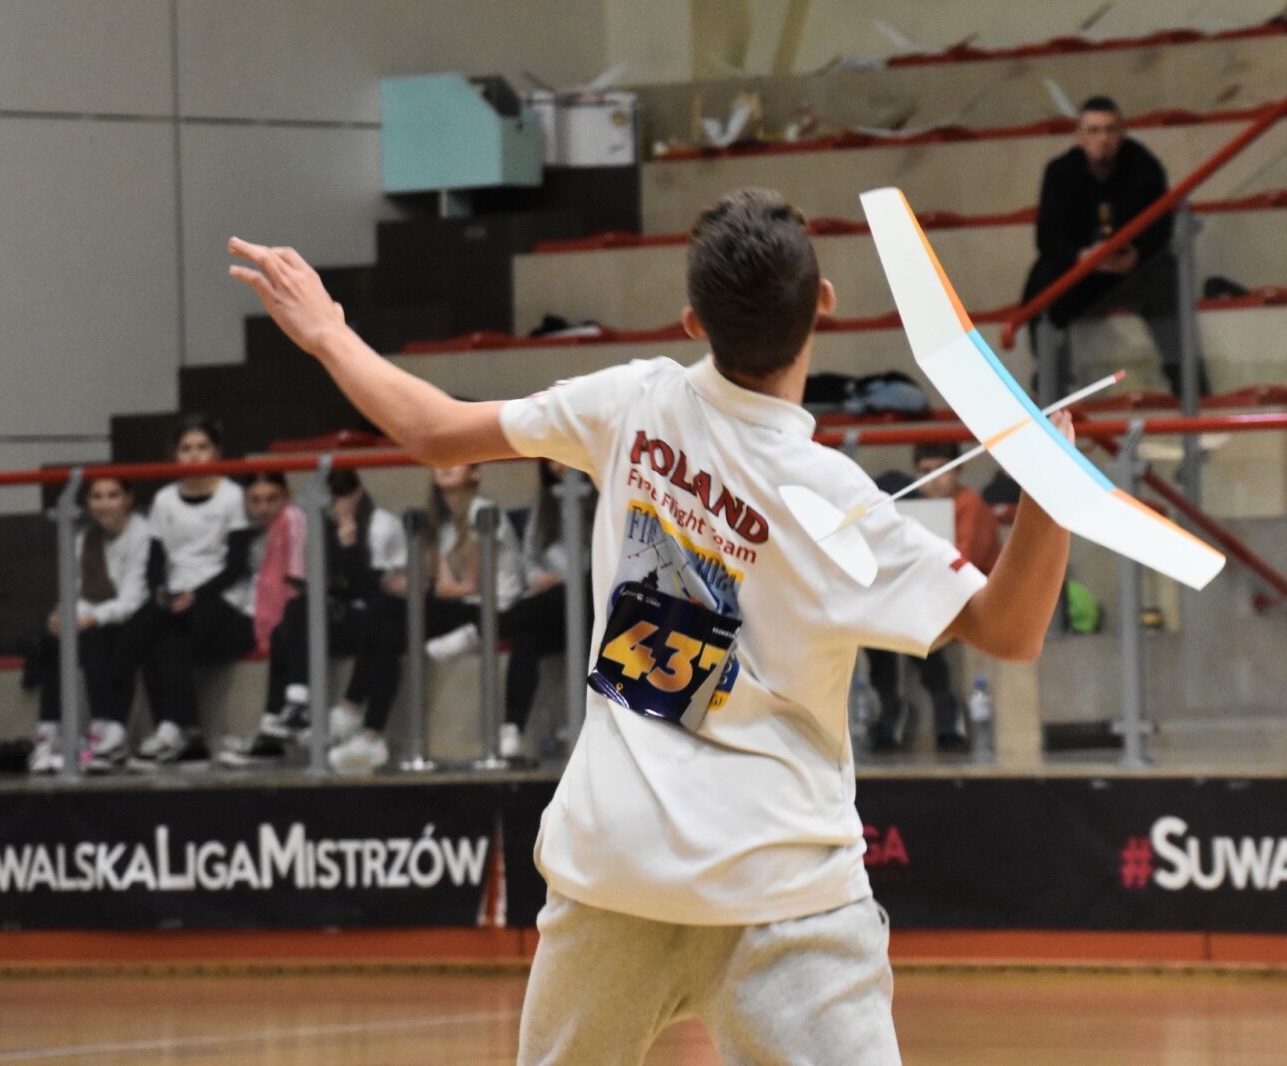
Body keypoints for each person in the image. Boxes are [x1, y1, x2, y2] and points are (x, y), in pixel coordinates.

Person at [230, 187, 1069, 1065]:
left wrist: (328, 331)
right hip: (782, 891)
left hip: (614, 874)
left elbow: (434, 432)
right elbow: (1009, 630)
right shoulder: (837, 500)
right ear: (822, 304)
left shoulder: (633, 400)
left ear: (692, 320)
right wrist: (1049, 495)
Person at [324, 463, 522, 774]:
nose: (445, 466)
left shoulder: (482, 512)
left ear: (475, 473)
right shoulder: (442, 521)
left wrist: (420, 585)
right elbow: (442, 584)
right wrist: (413, 582)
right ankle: (370, 735)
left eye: (456, 460)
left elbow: (468, 586)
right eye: (440, 461)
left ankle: (349, 708)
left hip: (490, 610)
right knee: (388, 631)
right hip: (459, 604)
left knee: (383, 608)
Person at [1021, 95, 1209, 400]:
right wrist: (1081, 256)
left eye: (1110, 130)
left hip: (1134, 270)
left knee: (1167, 278)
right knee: (1042, 281)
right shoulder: (1060, 172)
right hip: (1082, 272)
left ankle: (1190, 386)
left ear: (1122, 133)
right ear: (1079, 136)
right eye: (1093, 131)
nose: (1103, 139)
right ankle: (1052, 382)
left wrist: (1137, 254)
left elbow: (1161, 227)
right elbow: (1047, 237)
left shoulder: (1145, 166)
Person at [219, 468, 407, 768]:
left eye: (342, 499)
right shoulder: (321, 527)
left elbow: (377, 593)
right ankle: (279, 721)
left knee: (304, 612)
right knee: (286, 627)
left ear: (357, 494)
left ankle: (297, 709)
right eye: (329, 502)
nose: (336, 508)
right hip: (339, 614)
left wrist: (349, 548)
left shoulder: (382, 525)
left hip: (376, 617)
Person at [866, 441, 1002, 755]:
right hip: (929, 594)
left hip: (970, 600)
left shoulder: (969, 505)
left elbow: (962, 564)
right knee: (875, 623)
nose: (933, 479)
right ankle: (892, 706)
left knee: (912, 621)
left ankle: (942, 710)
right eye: (925, 471)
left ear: (959, 470)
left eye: (941, 469)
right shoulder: (913, 508)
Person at [134, 416, 252, 768]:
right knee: (146, 633)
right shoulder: (164, 500)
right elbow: (156, 558)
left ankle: (178, 731)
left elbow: (236, 565)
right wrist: (160, 591)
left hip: (223, 597)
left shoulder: (232, 496)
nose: (195, 455)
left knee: (175, 638)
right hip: (177, 590)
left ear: (217, 452)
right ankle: (179, 733)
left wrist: (197, 595)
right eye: (186, 448)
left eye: (202, 447)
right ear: (174, 454)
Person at [23, 477, 160, 774]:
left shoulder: (142, 534)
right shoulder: (84, 538)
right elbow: (74, 591)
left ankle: (103, 732)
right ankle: (49, 735)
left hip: (133, 618)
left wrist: (89, 618)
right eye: (97, 496)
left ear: (128, 499)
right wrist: (62, 615)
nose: (104, 504)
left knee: (94, 638)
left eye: (113, 495)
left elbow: (132, 598)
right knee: (52, 639)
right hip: (92, 615)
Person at [493, 458, 596, 762]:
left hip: (592, 605)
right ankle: (512, 728)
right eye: (550, 460)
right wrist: (541, 578)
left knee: (572, 595)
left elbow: (605, 559)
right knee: (526, 637)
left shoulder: (601, 498)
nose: (557, 465)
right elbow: (530, 556)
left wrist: (567, 580)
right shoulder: (545, 502)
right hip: (550, 608)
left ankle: (484, 627)